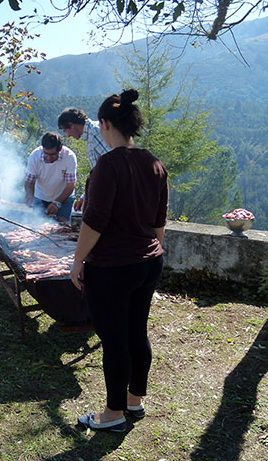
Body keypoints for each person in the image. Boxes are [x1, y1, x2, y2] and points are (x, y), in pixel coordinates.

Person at [69, 88, 168, 432]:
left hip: (112, 268)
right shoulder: (154, 163)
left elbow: (94, 222)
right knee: (136, 332)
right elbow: (159, 222)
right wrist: (152, 255)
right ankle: (134, 400)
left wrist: (77, 261)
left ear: (105, 124)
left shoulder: (107, 166)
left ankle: (112, 414)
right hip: (148, 263)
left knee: (114, 340)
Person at [57, 107, 111, 211]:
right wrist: (85, 197)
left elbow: (116, 164)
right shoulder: (91, 135)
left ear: (72, 125)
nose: (67, 135)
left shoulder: (95, 133)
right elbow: (97, 173)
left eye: (66, 130)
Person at [23, 132, 77, 220]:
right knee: (38, 228)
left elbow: (70, 186)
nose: (48, 157)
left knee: (63, 229)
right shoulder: (34, 156)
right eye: (46, 153)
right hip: (40, 196)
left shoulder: (69, 157)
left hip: (64, 197)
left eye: (52, 155)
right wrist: (29, 196)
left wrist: (57, 203)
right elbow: (29, 181)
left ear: (60, 149)